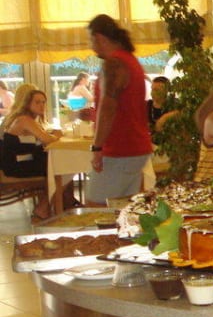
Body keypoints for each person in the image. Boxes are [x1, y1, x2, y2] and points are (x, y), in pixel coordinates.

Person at [85, 14, 154, 205]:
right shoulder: (130, 60)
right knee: (122, 209)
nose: (92, 47)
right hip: (134, 147)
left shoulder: (114, 63)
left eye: (91, 40)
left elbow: (109, 107)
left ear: (99, 37)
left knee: (95, 207)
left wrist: (97, 147)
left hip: (120, 149)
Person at [0, 87, 75, 220]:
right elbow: (46, 139)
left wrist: (50, 135)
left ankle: (59, 205)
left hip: (20, 162)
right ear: (27, 104)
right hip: (16, 166)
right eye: (37, 102)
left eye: (43, 102)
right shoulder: (24, 120)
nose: (42, 105)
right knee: (64, 168)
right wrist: (56, 135)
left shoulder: (25, 119)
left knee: (63, 165)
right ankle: (45, 207)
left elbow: (39, 139)